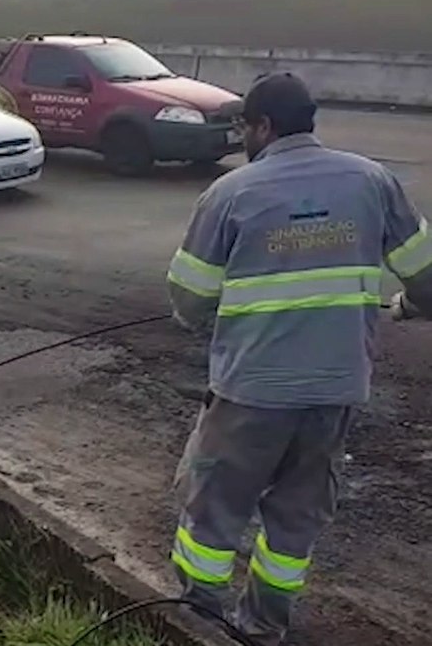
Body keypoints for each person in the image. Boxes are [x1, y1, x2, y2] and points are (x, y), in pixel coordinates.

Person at [166, 72, 431, 645]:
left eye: (244, 128)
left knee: (213, 516)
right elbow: (428, 281)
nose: (243, 139)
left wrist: (214, 319)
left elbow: (188, 298)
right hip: (334, 390)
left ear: (263, 126)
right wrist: (406, 307)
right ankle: (262, 629)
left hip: (252, 391)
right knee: (294, 521)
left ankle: (199, 626)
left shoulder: (232, 193)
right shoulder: (371, 180)